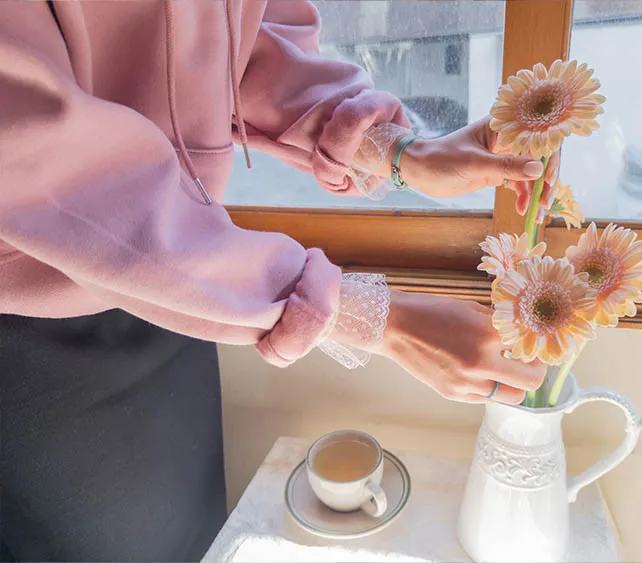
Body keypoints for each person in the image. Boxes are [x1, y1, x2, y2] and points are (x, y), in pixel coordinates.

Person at [0, 1, 557, 561]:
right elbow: (42, 160)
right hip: (35, 330)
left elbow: (240, 38)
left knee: (193, 536)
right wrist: (374, 318)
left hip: (182, 297)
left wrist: (398, 151)